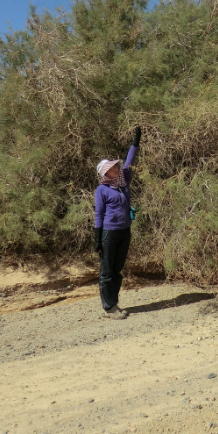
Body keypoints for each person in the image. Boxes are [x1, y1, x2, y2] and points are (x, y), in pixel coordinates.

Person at [94, 126, 141, 319]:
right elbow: (99, 214)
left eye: (115, 166)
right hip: (108, 233)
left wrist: (135, 142)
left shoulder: (123, 183)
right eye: (111, 168)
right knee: (107, 271)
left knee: (117, 269)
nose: (115, 169)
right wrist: (97, 238)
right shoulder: (102, 190)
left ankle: (114, 303)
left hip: (124, 231)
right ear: (105, 173)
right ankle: (109, 308)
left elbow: (129, 161)